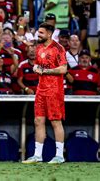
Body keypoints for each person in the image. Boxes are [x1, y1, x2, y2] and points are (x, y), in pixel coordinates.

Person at [23, 23, 67, 165]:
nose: (38, 35)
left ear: (49, 34)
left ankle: (59, 156)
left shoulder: (58, 48)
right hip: (40, 90)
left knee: (55, 121)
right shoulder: (39, 47)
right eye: (38, 32)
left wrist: (46, 71)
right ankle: (37, 155)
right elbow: (37, 64)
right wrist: (36, 67)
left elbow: (63, 69)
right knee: (38, 121)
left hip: (54, 90)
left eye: (41, 33)